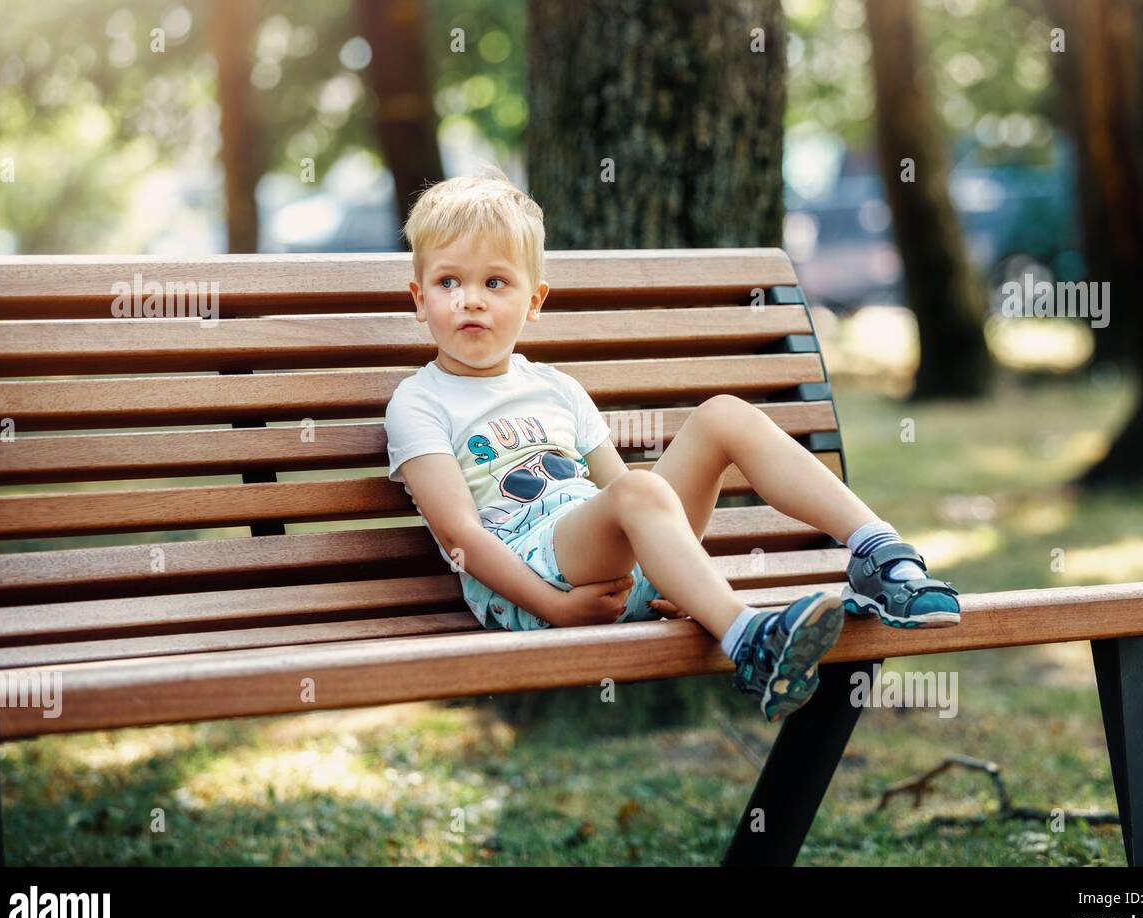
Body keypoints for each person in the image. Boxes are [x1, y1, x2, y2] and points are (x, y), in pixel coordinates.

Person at [384, 165, 960, 723]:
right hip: (529, 583)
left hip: (603, 556)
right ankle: (748, 640)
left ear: (534, 302)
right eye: (448, 282)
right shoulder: (420, 402)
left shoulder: (555, 387)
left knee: (722, 416)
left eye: (496, 282)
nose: (471, 299)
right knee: (640, 488)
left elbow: (617, 492)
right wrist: (555, 607)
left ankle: (880, 554)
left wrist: (677, 571)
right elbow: (460, 536)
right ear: (419, 298)